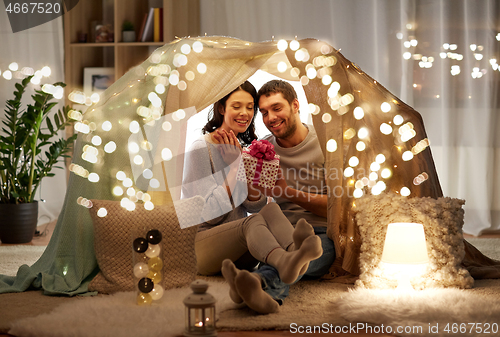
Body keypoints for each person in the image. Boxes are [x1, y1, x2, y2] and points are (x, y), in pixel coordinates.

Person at [181, 80, 322, 285]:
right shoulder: (200, 149)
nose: (244, 113)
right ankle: (283, 261)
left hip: (241, 252)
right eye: (236, 106)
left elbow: (255, 206)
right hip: (203, 250)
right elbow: (209, 215)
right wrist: (235, 167)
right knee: (252, 222)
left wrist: (247, 169)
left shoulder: (244, 149)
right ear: (222, 108)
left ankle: (297, 254)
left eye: (250, 107)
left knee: (271, 210)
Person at [221, 79, 336, 314]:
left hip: (321, 233)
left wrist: (287, 192)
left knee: (300, 253)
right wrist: (238, 171)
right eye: (263, 112)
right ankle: (260, 288)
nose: (270, 118)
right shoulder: (262, 147)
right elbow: (257, 204)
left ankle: (258, 283)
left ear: (295, 105)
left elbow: (336, 209)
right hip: (280, 230)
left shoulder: (326, 144)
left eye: (276, 108)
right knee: (280, 254)